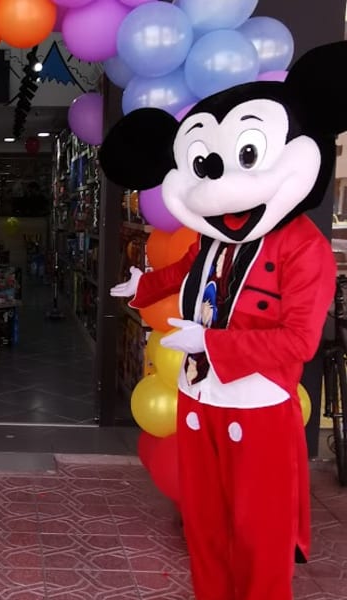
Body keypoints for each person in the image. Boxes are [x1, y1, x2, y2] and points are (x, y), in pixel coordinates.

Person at [100, 41, 347, 600]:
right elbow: (187, 268)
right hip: (198, 400)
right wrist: (144, 286)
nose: (217, 188)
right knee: (205, 527)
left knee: (260, 533)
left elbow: (300, 341)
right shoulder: (212, 239)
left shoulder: (303, 248)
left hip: (257, 410)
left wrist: (212, 343)